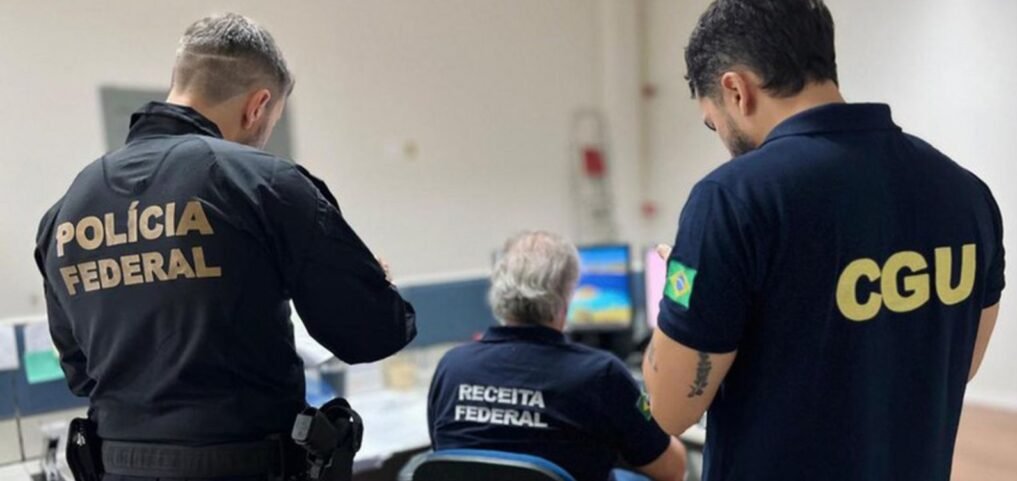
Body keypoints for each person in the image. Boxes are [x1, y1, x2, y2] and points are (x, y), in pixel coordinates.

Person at [34, 13, 416, 481]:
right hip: (246, 465)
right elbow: (371, 333)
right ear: (258, 106)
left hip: (117, 467)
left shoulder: (65, 211)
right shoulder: (266, 184)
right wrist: (372, 283)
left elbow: (80, 373)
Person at [641, 1, 1005, 480]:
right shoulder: (966, 194)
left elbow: (669, 410)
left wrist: (678, 295)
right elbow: (961, 363)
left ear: (736, 90)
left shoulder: (731, 199)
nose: (721, 137)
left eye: (713, 122)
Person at [428, 231, 686, 481]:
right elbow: (672, 470)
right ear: (566, 296)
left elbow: (444, 457)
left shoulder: (452, 367)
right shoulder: (600, 375)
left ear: (498, 291)